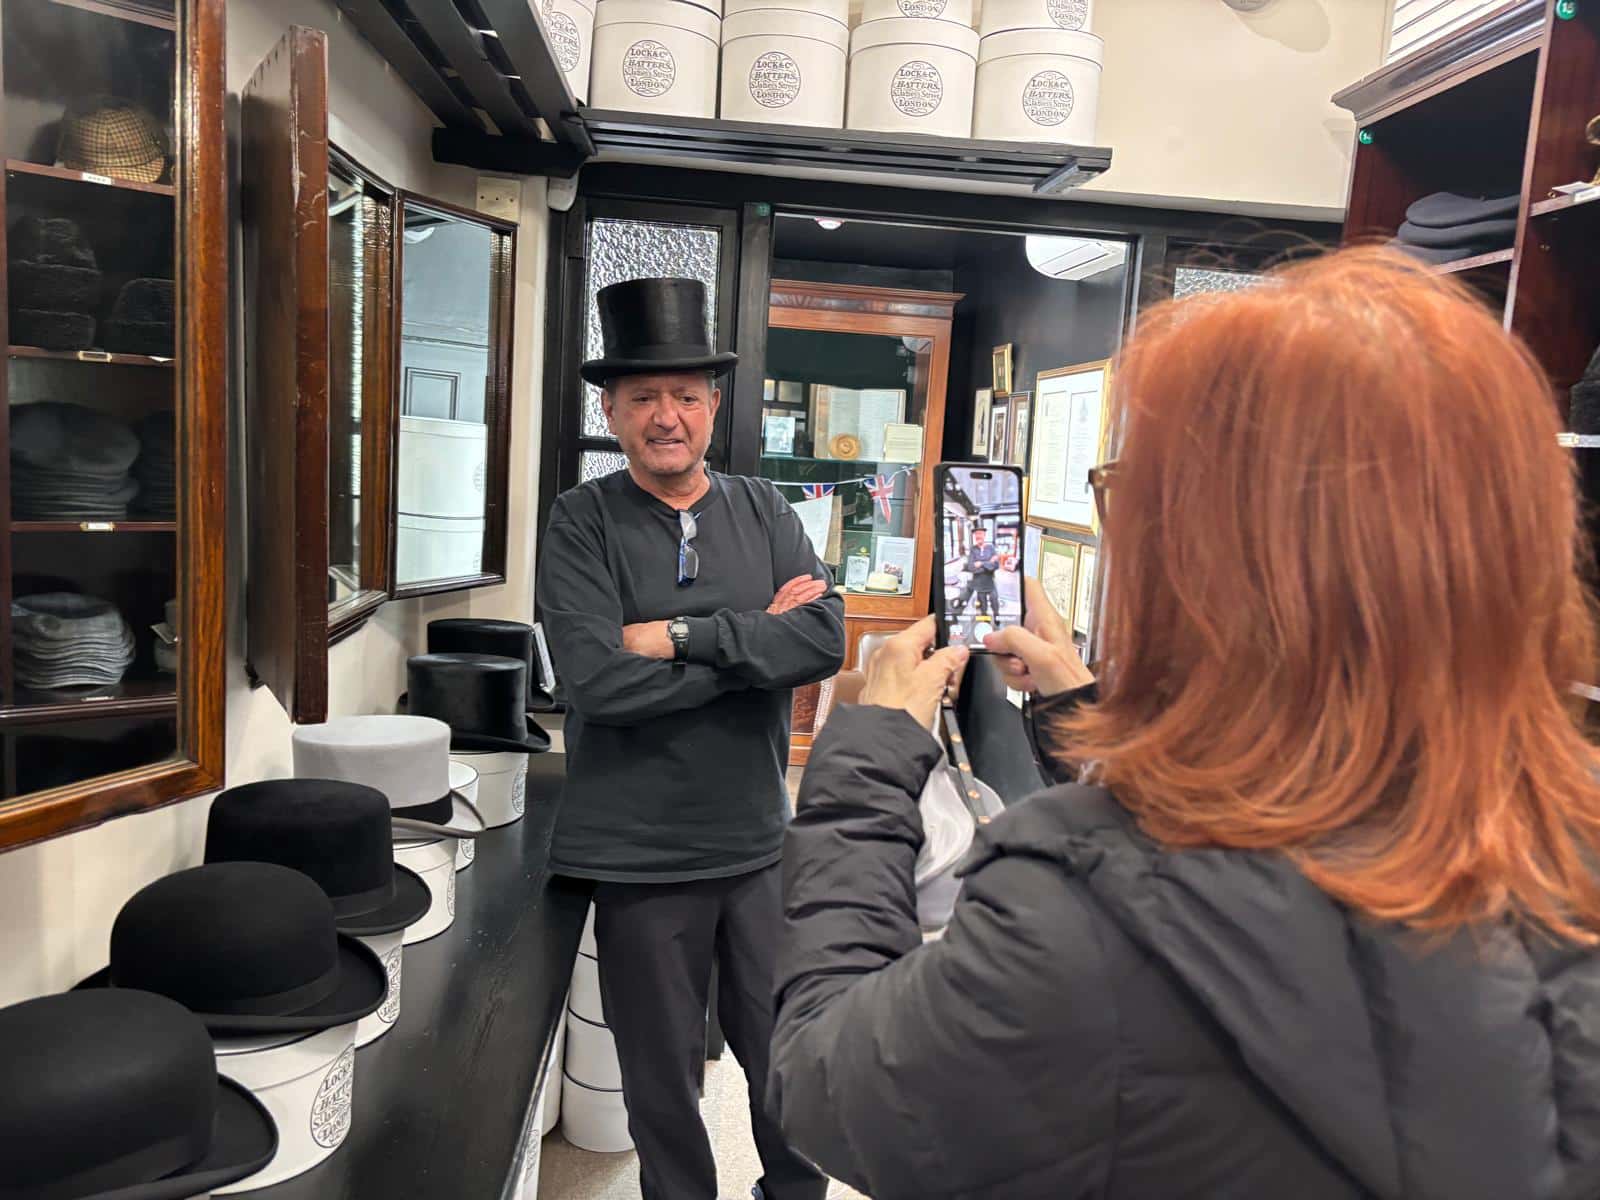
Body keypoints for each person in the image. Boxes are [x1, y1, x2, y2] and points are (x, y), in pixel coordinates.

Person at [767, 248, 1600, 1200]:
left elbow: (828, 1077)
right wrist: (1082, 712)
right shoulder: (1568, 848)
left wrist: (873, 750)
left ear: (1207, 558)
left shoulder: (1074, 915)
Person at [538, 277, 842, 1200]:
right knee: (661, 1083)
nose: (665, 416)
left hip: (756, 841)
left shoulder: (765, 509)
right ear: (610, 410)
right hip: (637, 857)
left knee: (786, 1054)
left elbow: (821, 642)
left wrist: (678, 635)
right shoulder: (581, 520)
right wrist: (754, 647)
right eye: (642, 397)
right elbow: (595, 683)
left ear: (713, 403)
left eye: (684, 395)